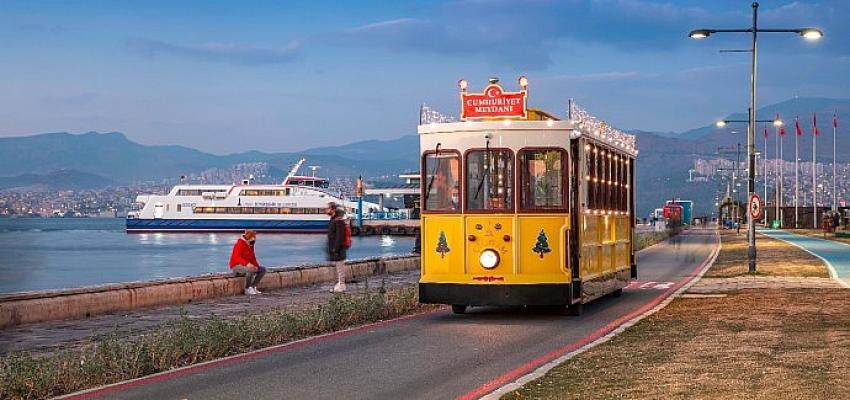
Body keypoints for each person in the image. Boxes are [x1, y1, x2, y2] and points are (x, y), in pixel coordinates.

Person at [229, 229, 266, 295]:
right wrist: (247, 264)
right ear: (248, 238)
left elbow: (252, 256)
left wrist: (256, 265)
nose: (253, 242)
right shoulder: (239, 244)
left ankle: (253, 286)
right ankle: (247, 288)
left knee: (262, 270)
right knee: (251, 270)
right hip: (236, 266)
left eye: (254, 240)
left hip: (247, 265)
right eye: (252, 239)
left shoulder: (251, 244)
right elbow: (237, 257)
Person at [326, 202, 348, 293]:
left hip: (338, 248)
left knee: (340, 267)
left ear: (333, 209)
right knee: (338, 267)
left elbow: (340, 236)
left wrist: (335, 248)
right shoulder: (334, 219)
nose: (326, 210)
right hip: (335, 248)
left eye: (328, 208)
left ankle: (342, 285)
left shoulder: (338, 220)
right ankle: (339, 284)